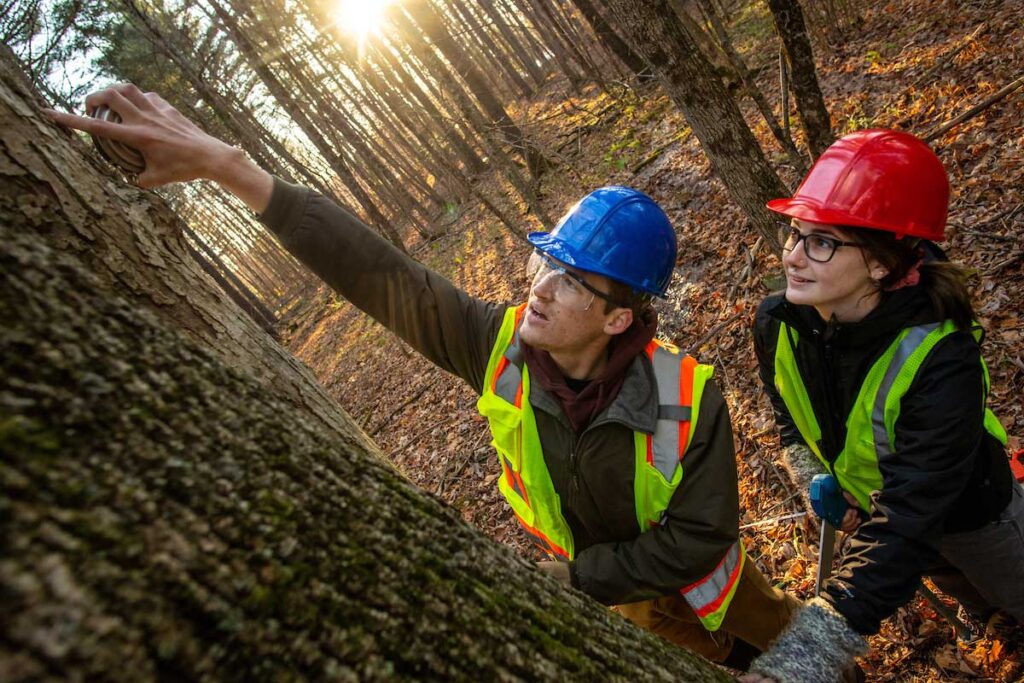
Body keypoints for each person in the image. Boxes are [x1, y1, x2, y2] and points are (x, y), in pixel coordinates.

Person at [47, 85, 800, 670]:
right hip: (630, 618)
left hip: (726, 598)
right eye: (545, 262)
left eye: (570, 280)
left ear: (617, 318)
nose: (536, 284)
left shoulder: (686, 396)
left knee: (791, 659)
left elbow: (701, 537)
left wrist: (576, 579)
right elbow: (382, 273)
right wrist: (230, 169)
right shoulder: (497, 348)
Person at [741, 129, 1024, 683]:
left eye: (821, 242)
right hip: (883, 515)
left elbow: (908, 523)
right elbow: (788, 416)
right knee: (963, 588)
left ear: (880, 263)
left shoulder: (943, 359)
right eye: (795, 234)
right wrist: (817, 479)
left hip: (972, 513)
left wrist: (803, 660)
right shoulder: (778, 322)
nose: (793, 257)